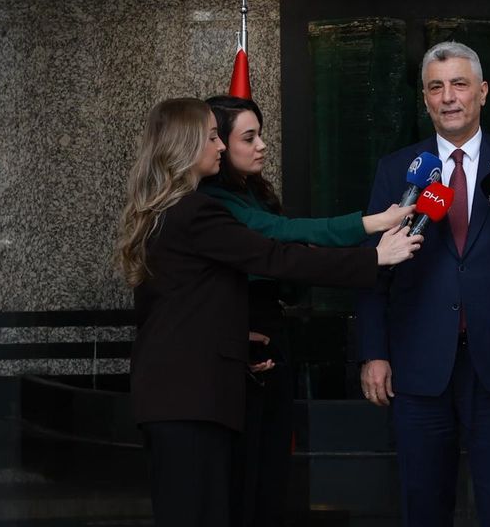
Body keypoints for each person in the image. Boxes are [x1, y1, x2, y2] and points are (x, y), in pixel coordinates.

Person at [114, 97, 422, 527]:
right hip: (189, 401)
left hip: (177, 396)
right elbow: (274, 256)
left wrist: (232, 339)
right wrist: (375, 258)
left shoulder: (167, 211)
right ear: (185, 146)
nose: (221, 147)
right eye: (212, 137)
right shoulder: (196, 210)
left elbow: (176, 307)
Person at [356, 41, 490, 527]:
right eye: (436, 87)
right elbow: (372, 270)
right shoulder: (398, 169)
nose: (448, 97)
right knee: (422, 504)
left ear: (483, 92)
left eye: (459, 84)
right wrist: (373, 352)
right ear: (424, 98)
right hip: (417, 368)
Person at [200, 94, 413, 527]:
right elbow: (280, 234)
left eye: (260, 134)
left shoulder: (252, 193)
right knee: (243, 473)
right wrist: (372, 226)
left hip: (270, 336)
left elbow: (286, 261)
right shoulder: (211, 201)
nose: (262, 145)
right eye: (248, 137)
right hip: (234, 344)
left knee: (271, 469)